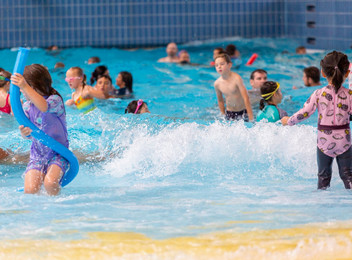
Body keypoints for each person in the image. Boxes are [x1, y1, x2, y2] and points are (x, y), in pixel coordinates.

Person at [281, 51, 352, 190]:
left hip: (324, 142)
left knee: (323, 176)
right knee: (348, 175)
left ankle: (322, 205)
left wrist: (289, 121)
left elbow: (305, 113)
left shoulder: (318, 93)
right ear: (347, 73)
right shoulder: (350, 95)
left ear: (323, 73)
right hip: (344, 141)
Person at [10, 64, 69, 195]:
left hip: (59, 153)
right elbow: (30, 134)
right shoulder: (26, 106)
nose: (21, 91)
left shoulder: (55, 100)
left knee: (50, 184)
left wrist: (24, 85)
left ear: (36, 86)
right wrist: (24, 133)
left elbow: (43, 107)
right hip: (37, 155)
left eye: (24, 87)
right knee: (30, 190)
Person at [213, 53, 253, 121]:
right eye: (216, 65)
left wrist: (250, 116)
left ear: (229, 65)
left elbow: (245, 97)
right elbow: (220, 101)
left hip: (242, 111)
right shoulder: (217, 83)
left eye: (222, 64)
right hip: (230, 112)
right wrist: (223, 115)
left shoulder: (237, 78)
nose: (219, 66)